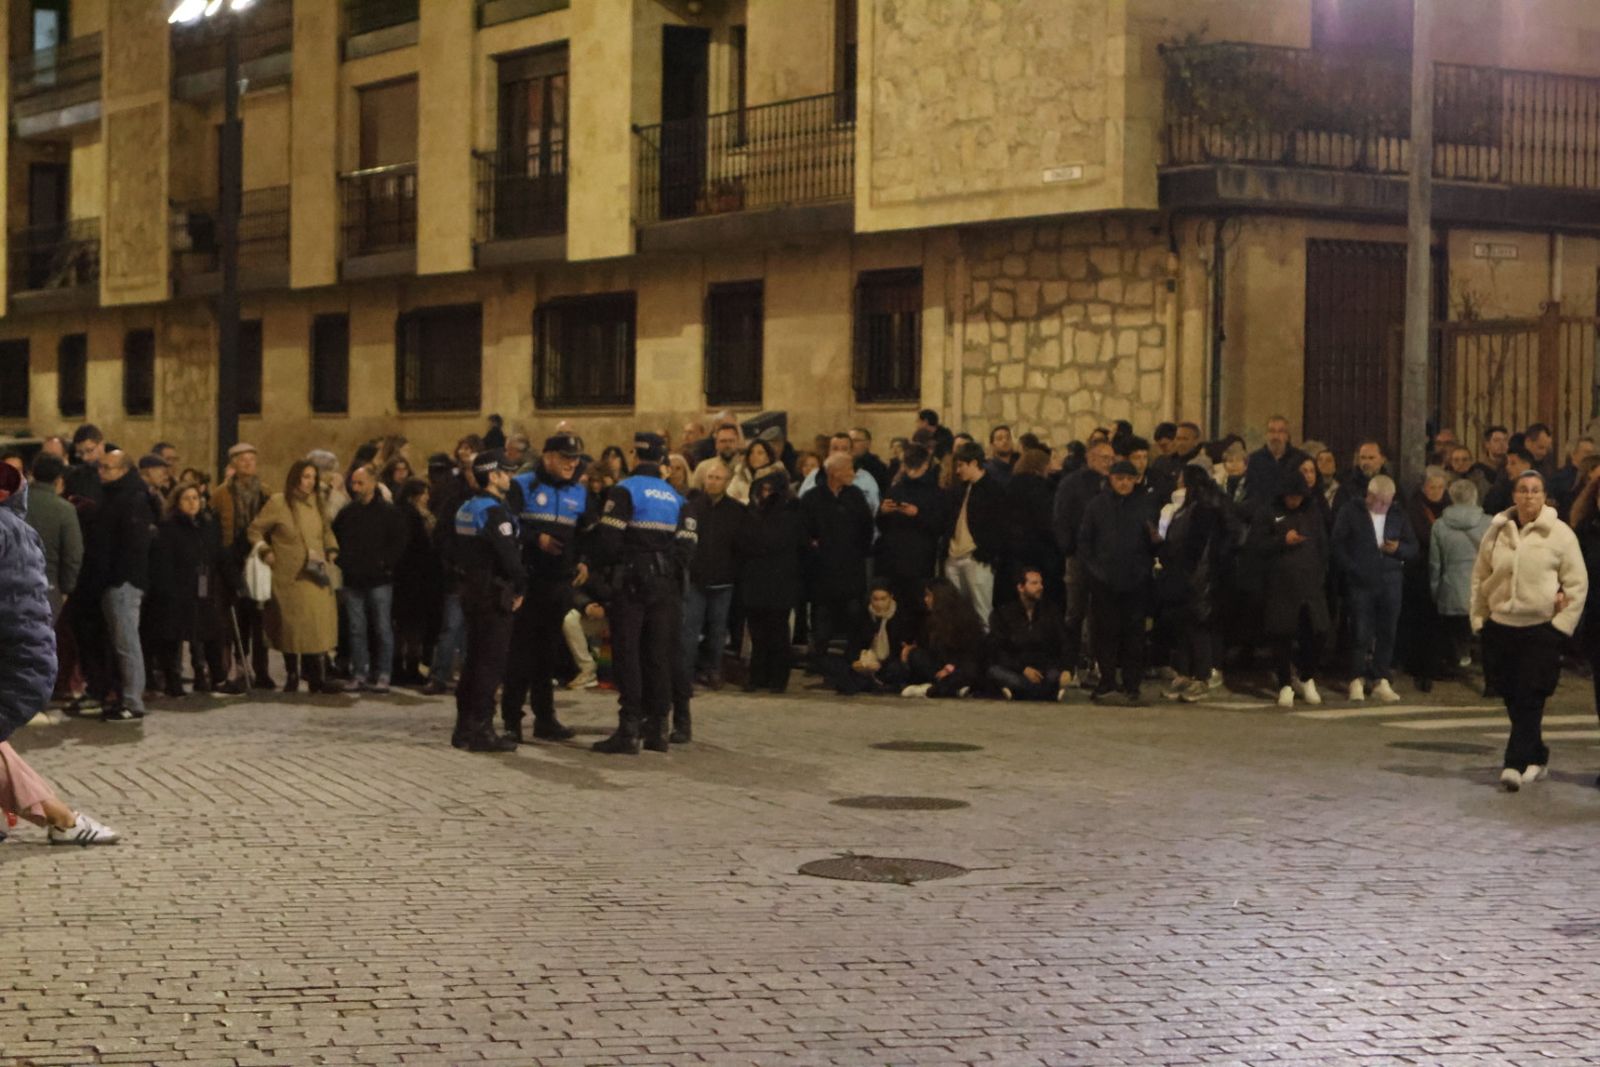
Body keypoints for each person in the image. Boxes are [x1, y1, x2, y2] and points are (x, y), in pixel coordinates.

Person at [0, 462, 119, 844]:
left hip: (14, 665)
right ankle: (63, 819)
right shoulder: (15, 527)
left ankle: (63, 819)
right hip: (25, 662)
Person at [1472, 470, 1588, 791]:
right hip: (1501, 626)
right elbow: (1480, 576)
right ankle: (1536, 755)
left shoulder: (1560, 535)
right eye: (1523, 490)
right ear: (1514, 496)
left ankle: (1513, 763)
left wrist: (1561, 626)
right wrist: (1479, 618)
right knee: (1512, 696)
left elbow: (1577, 583)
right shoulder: (1497, 530)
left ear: (1544, 496)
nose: (1529, 496)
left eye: (1535, 490)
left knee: (1530, 695)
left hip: (1540, 630)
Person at [591, 433, 697, 754]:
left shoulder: (625, 490)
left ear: (635, 456)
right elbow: (687, 547)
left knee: (628, 654)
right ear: (662, 459)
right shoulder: (678, 498)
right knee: (659, 656)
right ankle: (658, 729)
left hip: (631, 583)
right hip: (667, 585)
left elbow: (608, 542)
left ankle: (629, 729)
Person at [501, 433, 594, 744]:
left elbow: (585, 533)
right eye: (566, 457)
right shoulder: (522, 485)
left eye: (575, 458)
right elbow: (508, 524)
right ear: (548, 456)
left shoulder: (578, 491)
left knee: (548, 653)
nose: (572, 464)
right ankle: (512, 719)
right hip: (528, 580)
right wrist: (536, 538)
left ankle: (545, 718)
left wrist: (584, 561)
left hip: (559, 582)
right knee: (520, 652)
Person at [449, 450, 524, 753]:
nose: (511, 477)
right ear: (493, 476)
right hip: (494, 593)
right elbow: (509, 557)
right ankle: (483, 729)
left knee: (473, 660)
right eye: (507, 472)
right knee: (490, 663)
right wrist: (521, 586)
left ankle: (464, 728)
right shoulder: (494, 512)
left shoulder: (466, 508)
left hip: (471, 589)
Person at [248, 460, 344, 695]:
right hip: (288, 575)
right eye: (305, 477)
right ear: (295, 478)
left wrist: (331, 549)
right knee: (291, 627)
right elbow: (255, 529)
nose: (310, 482)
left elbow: (326, 530)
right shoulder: (278, 502)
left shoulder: (317, 503)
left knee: (315, 625)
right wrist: (265, 550)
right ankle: (292, 673)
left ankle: (316, 676)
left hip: (315, 573)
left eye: (313, 477)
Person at [1331, 473, 1417, 703]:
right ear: (1369, 496)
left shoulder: (1398, 514)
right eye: (1380, 502)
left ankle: (1381, 676)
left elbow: (1412, 546)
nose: (1383, 507)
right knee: (1360, 631)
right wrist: (1352, 568)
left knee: (1388, 630)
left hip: (1390, 580)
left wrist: (1398, 549)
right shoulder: (1351, 512)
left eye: (1387, 503)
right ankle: (1356, 677)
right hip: (1361, 581)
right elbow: (1338, 544)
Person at [1079, 459, 1156, 703]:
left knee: (1134, 635)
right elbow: (1085, 542)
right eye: (1119, 478)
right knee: (1105, 633)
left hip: (1136, 581)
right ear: (1111, 479)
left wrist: (1144, 568)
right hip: (1104, 581)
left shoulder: (1144, 505)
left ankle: (1132, 684)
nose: (1124, 483)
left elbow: (1152, 542)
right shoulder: (1096, 506)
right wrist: (1096, 572)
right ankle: (1107, 681)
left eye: (1129, 479)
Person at [1252, 472, 1332, 708]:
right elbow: (1257, 545)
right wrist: (1281, 541)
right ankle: (1285, 682)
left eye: (1298, 497)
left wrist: (1320, 572)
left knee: (1318, 632)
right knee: (1282, 635)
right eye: (1290, 497)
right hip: (1281, 586)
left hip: (1310, 585)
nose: (1294, 501)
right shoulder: (1269, 512)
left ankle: (1306, 677)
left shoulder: (1312, 512)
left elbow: (1322, 543)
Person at [145, 482, 231, 696]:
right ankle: (172, 680)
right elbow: (163, 561)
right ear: (177, 502)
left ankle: (218, 677)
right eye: (186, 498)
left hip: (203, 588)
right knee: (172, 636)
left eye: (195, 498)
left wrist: (234, 580)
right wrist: (166, 588)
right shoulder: (168, 528)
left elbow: (218, 554)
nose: (192, 503)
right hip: (177, 590)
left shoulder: (208, 526)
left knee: (212, 632)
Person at [1155, 465, 1231, 703]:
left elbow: (1196, 548)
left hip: (1197, 578)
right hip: (1182, 575)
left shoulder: (1203, 510)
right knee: (1183, 625)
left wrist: (1184, 570)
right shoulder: (1187, 509)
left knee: (1197, 626)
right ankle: (1185, 673)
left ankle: (1201, 676)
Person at [331, 465, 407, 693]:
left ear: (373, 483)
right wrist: (343, 562)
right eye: (353, 483)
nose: (355, 488)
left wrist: (385, 564)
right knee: (357, 629)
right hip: (353, 579)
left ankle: (383, 673)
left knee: (382, 628)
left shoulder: (388, 512)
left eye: (360, 483)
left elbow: (399, 542)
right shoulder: (348, 513)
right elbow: (335, 537)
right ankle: (359, 673)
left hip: (379, 580)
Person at [96, 450, 156, 722]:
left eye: (107, 468)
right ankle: (125, 697)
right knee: (122, 642)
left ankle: (133, 702)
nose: (101, 472)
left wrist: (119, 577)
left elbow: (131, 545)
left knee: (127, 643)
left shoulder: (131, 499)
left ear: (122, 470)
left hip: (123, 582)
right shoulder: (117, 496)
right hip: (117, 581)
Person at [801, 451, 875, 672]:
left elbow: (866, 527)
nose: (852, 473)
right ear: (834, 472)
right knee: (822, 615)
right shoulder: (813, 498)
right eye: (849, 469)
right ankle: (819, 658)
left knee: (854, 613)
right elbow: (803, 530)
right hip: (822, 570)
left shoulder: (855, 496)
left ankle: (851, 657)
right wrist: (813, 546)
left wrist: (858, 551)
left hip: (851, 568)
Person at [212, 442, 273, 689]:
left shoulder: (265, 492)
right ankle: (239, 665)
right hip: (232, 559)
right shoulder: (221, 494)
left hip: (258, 556)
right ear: (233, 464)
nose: (248, 464)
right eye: (242, 460)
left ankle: (262, 669)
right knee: (236, 616)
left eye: (251, 459)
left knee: (260, 616)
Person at [738, 469, 804, 694]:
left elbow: (774, 541)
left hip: (780, 581)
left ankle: (777, 677)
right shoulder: (751, 512)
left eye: (769, 490)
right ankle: (758, 676)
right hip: (754, 579)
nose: (764, 494)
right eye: (762, 489)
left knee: (777, 631)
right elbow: (742, 541)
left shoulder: (790, 513)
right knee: (757, 632)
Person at [1053, 439, 1114, 681]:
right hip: (1079, 557)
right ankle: (1071, 664)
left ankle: (1097, 663)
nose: (1108, 463)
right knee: (1075, 612)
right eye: (1104, 458)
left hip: (1105, 559)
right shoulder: (1073, 484)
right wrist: (1069, 547)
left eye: (1111, 458)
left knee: (1101, 613)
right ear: (1090, 458)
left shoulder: (1112, 483)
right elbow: (1061, 517)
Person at [681, 459, 743, 691]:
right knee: (690, 630)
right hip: (696, 579)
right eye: (710, 477)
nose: (713, 482)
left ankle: (713, 669)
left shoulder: (736, 511)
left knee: (718, 631)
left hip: (723, 581)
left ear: (727, 482)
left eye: (718, 478)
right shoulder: (691, 507)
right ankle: (685, 673)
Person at [1430, 477, 1491, 675]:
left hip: (1451, 588)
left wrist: (1436, 591)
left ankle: (1455, 662)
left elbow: (1435, 564)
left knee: (1454, 633)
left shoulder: (1439, 525)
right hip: (1481, 590)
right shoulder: (1489, 523)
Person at [943, 441, 1006, 626]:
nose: (957, 471)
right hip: (954, 557)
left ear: (974, 463)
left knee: (982, 612)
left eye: (961, 465)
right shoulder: (960, 490)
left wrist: (986, 552)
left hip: (976, 558)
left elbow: (999, 526)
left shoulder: (993, 490)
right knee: (956, 613)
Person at [987, 568, 1068, 701]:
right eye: (1034, 583)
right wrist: (1023, 669)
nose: (1040, 587)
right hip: (1016, 668)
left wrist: (1066, 668)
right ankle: (1043, 693)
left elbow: (1062, 643)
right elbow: (998, 650)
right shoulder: (1002, 614)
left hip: (1043, 668)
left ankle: (1018, 693)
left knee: (1053, 677)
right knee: (995, 672)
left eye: (1041, 583)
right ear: (1021, 587)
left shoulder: (1050, 612)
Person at [899, 577, 985, 699]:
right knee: (916, 656)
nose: (926, 600)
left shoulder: (964, 618)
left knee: (971, 670)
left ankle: (932, 689)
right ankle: (951, 689)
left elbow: (971, 653)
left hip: (959, 666)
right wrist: (910, 649)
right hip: (939, 668)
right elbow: (929, 650)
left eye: (929, 596)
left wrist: (950, 668)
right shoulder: (930, 619)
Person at [825, 581, 916, 695]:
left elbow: (902, 646)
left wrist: (880, 664)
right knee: (839, 667)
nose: (879, 603)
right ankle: (871, 682)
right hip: (866, 661)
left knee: (896, 669)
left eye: (883, 599)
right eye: (875, 599)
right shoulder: (863, 616)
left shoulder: (901, 617)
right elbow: (854, 644)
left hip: (889, 663)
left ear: (891, 597)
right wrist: (859, 661)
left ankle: (877, 683)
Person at [391, 478, 441, 686]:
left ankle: (405, 666)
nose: (427, 497)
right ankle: (405, 667)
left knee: (408, 626)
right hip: (413, 578)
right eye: (424, 493)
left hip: (415, 578)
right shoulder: (410, 516)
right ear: (414, 496)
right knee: (409, 626)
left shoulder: (419, 515)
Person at [25, 453, 82, 619]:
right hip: (47, 585)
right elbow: (73, 554)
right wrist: (66, 588)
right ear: (59, 479)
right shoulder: (64, 510)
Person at [799, 432, 882, 514]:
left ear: (851, 452)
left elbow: (873, 509)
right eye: (835, 449)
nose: (839, 453)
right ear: (828, 452)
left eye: (844, 449)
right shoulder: (813, 477)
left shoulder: (866, 479)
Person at [1244, 415, 1305, 505]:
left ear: (1287, 436)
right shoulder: (1254, 459)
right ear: (1266, 435)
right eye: (1272, 431)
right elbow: (1250, 492)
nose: (1276, 436)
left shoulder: (1299, 458)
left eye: (1280, 431)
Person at [1482, 446, 1534, 515]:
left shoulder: (1539, 488)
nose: (1507, 467)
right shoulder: (1500, 489)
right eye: (1507, 463)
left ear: (1527, 465)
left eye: (1513, 463)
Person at [848, 427, 890, 496]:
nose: (851, 444)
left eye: (856, 441)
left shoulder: (877, 467)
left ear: (868, 443)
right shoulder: (843, 464)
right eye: (849, 440)